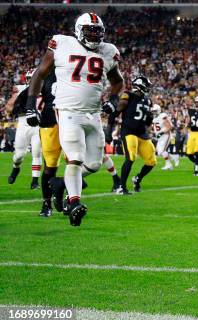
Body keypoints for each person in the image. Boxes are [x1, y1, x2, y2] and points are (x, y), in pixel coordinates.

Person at [26, 12, 124, 226]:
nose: (94, 35)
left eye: (98, 31)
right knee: (76, 157)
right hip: (68, 110)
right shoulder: (62, 43)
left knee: (95, 163)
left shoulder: (109, 51)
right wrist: (30, 106)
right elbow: (40, 73)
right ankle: (74, 203)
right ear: (80, 30)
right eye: (90, 30)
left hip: (94, 113)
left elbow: (118, 81)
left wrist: (113, 100)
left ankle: (61, 184)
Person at [108, 76, 156, 194]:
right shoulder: (127, 96)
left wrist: (150, 117)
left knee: (151, 161)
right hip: (129, 131)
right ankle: (121, 187)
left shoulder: (148, 101)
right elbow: (116, 112)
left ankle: (137, 179)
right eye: (146, 85)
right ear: (140, 85)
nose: (148, 88)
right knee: (130, 158)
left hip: (142, 133)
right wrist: (109, 131)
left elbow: (148, 122)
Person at [5, 69, 42, 189]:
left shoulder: (46, 89)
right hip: (23, 123)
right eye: (29, 78)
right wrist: (17, 108)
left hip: (39, 125)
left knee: (37, 152)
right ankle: (16, 168)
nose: (32, 81)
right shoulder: (21, 90)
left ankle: (35, 181)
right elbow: (9, 106)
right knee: (19, 155)